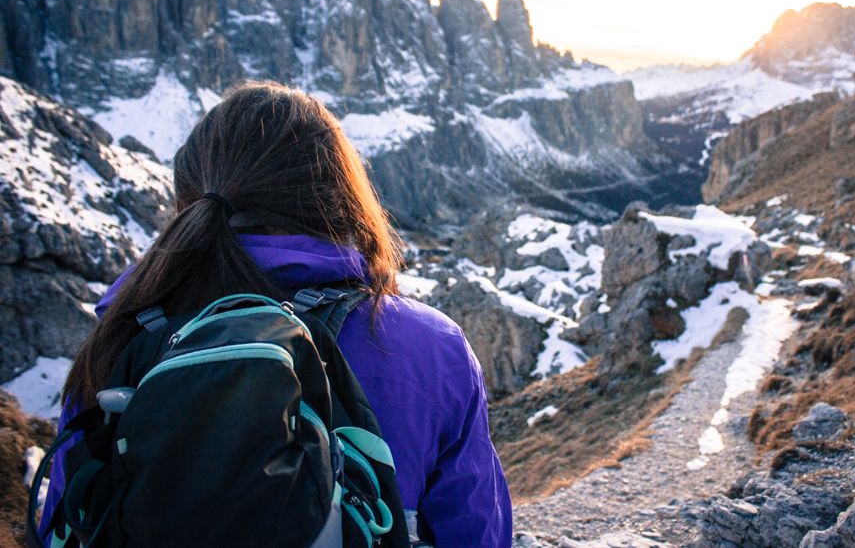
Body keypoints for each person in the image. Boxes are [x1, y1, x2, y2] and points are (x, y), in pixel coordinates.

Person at [41, 81, 513, 547]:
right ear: (338, 196)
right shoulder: (427, 347)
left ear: (190, 199)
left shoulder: (122, 335)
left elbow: (66, 525)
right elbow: (479, 534)